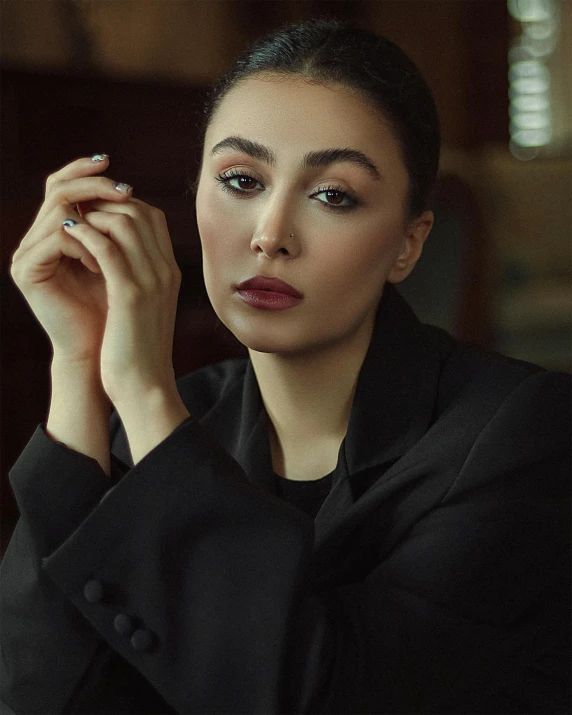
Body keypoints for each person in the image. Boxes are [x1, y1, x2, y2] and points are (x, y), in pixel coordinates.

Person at [1, 18, 570, 715]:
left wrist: (145, 395)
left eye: (333, 194)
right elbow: (36, 695)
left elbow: (316, 695)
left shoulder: (524, 433)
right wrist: (81, 365)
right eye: (240, 179)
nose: (270, 234)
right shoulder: (170, 419)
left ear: (407, 244)